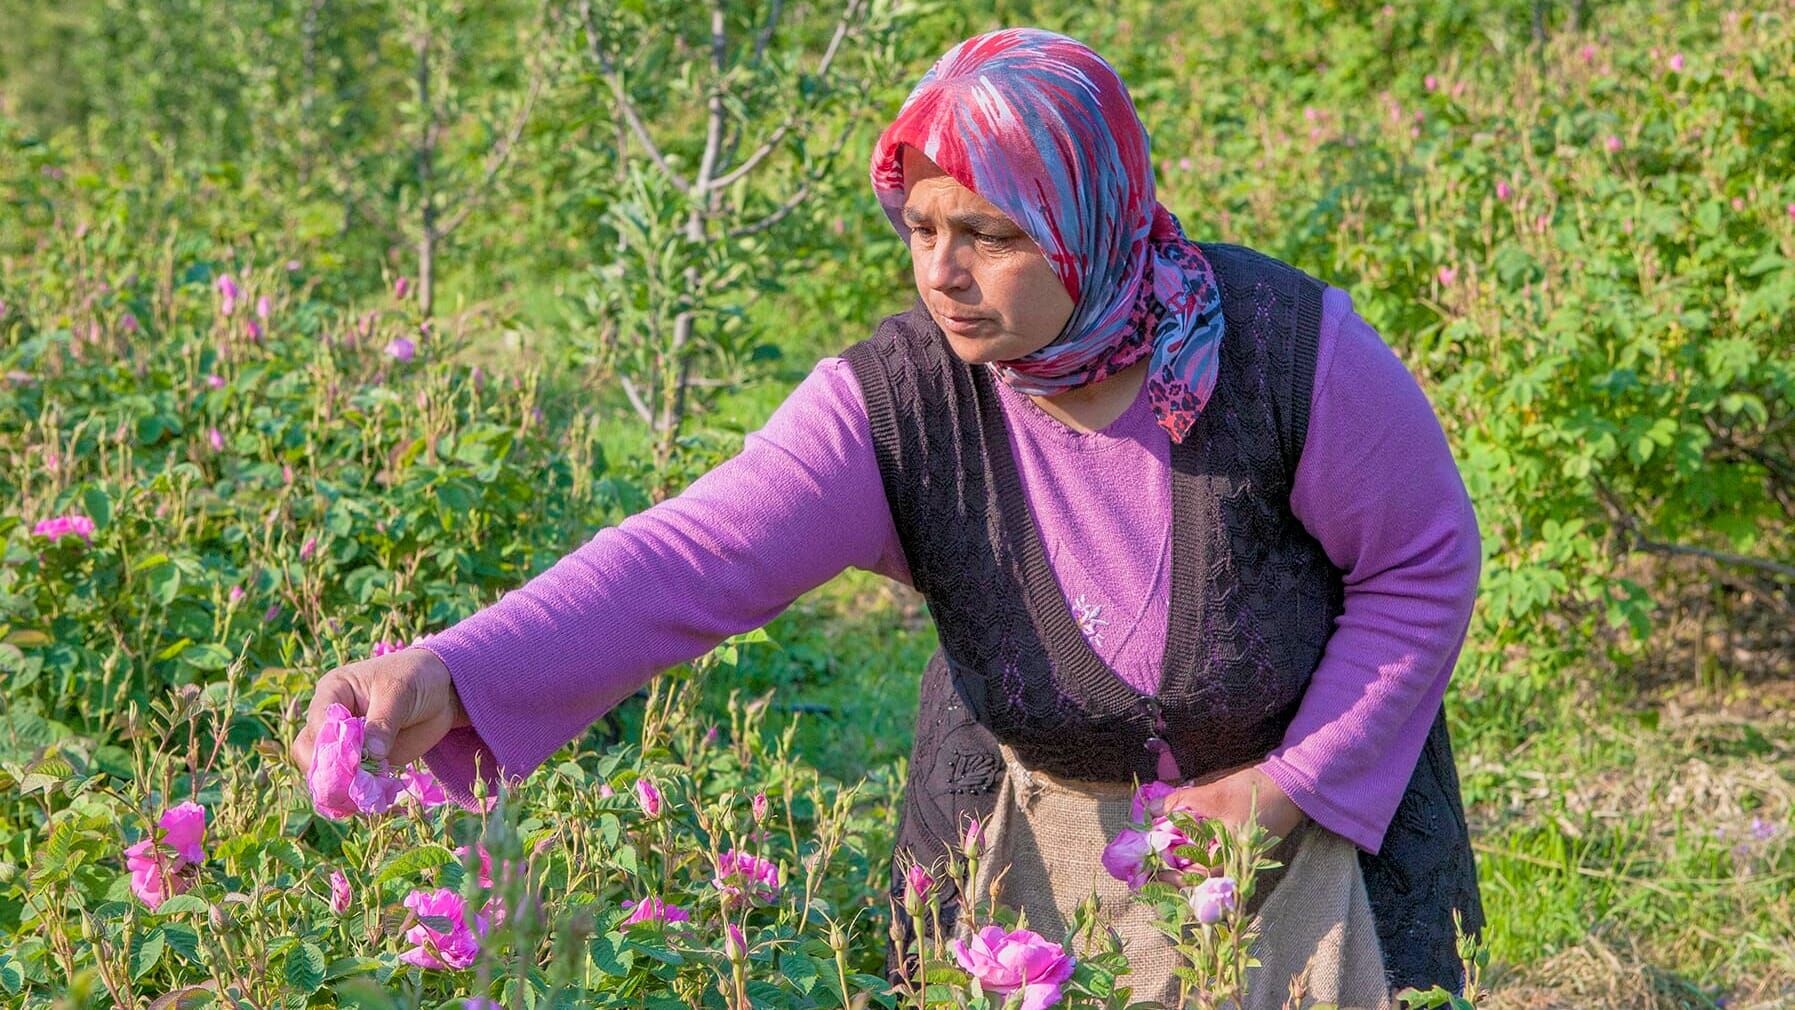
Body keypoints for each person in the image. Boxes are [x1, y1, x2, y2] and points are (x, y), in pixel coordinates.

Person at [290, 27, 1483, 1003]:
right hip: (1029, 848)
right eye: (920, 228)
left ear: (1089, 220)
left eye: (990, 234)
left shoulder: (1284, 352)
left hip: (1309, 845)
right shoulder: (900, 402)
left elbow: (1422, 562)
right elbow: (688, 558)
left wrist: (1283, 789)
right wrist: (447, 669)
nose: (941, 271)